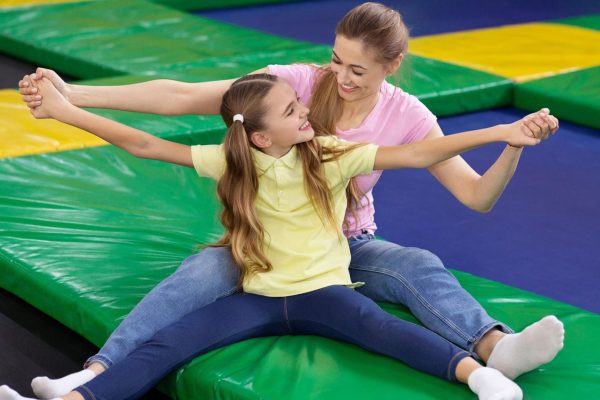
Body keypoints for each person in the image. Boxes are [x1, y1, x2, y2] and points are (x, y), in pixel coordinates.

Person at [17, 2, 561, 399]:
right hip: (263, 243)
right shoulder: (292, 86)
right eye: (336, 60)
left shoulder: (397, 122)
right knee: (197, 276)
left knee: (415, 265)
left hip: (342, 247)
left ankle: (492, 347)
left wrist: (509, 143)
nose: (338, 79)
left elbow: (473, 193)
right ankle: (93, 374)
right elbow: (181, 100)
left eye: (357, 70)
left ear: (390, 66)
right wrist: (74, 96)